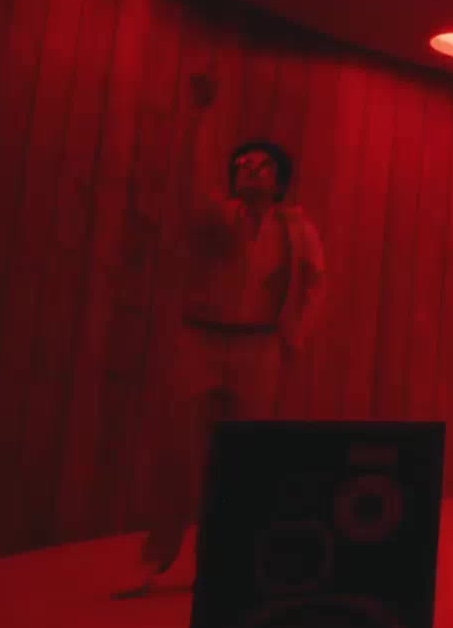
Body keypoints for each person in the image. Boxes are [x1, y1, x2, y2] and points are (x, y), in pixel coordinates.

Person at [119, 74, 326, 598]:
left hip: (258, 345)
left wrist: (294, 337)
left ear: (279, 180)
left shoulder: (296, 229)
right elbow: (192, 179)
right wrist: (202, 116)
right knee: (177, 448)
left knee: (246, 454)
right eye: (241, 164)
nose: (248, 169)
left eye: (261, 165)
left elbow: (313, 285)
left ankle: (229, 556)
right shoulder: (214, 216)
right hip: (200, 339)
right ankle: (156, 558)